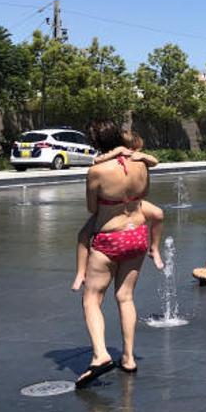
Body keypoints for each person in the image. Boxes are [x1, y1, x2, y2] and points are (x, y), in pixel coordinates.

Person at [75, 119, 151, 389]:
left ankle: (101, 354)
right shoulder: (141, 164)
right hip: (138, 234)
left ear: (96, 143)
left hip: (109, 238)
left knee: (92, 298)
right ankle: (129, 357)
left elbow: (90, 207)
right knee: (125, 296)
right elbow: (144, 194)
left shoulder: (97, 171)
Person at [71, 133, 164, 292]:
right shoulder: (118, 157)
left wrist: (138, 155)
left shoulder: (136, 158)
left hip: (119, 210)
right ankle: (80, 273)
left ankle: (155, 248)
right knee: (83, 235)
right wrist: (117, 152)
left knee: (158, 214)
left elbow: (155, 161)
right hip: (132, 209)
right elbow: (97, 160)